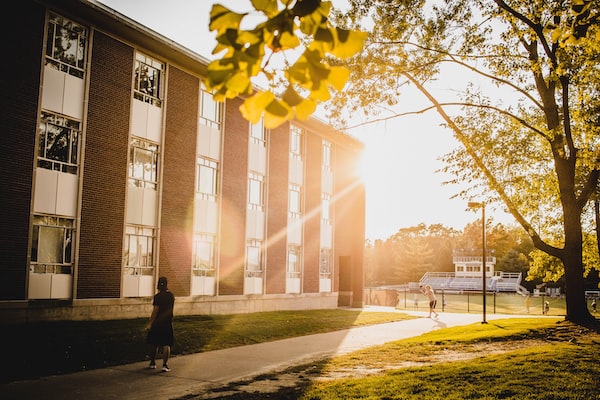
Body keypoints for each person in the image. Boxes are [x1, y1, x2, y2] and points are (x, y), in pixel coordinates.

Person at [145, 276, 175, 372]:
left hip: (157, 323)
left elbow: (155, 311)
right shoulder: (171, 296)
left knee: (153, 342)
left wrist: (150, 323)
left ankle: (152, 363)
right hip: (167, 322)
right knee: (166, 344)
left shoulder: (157, 297)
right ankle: (164, 365)